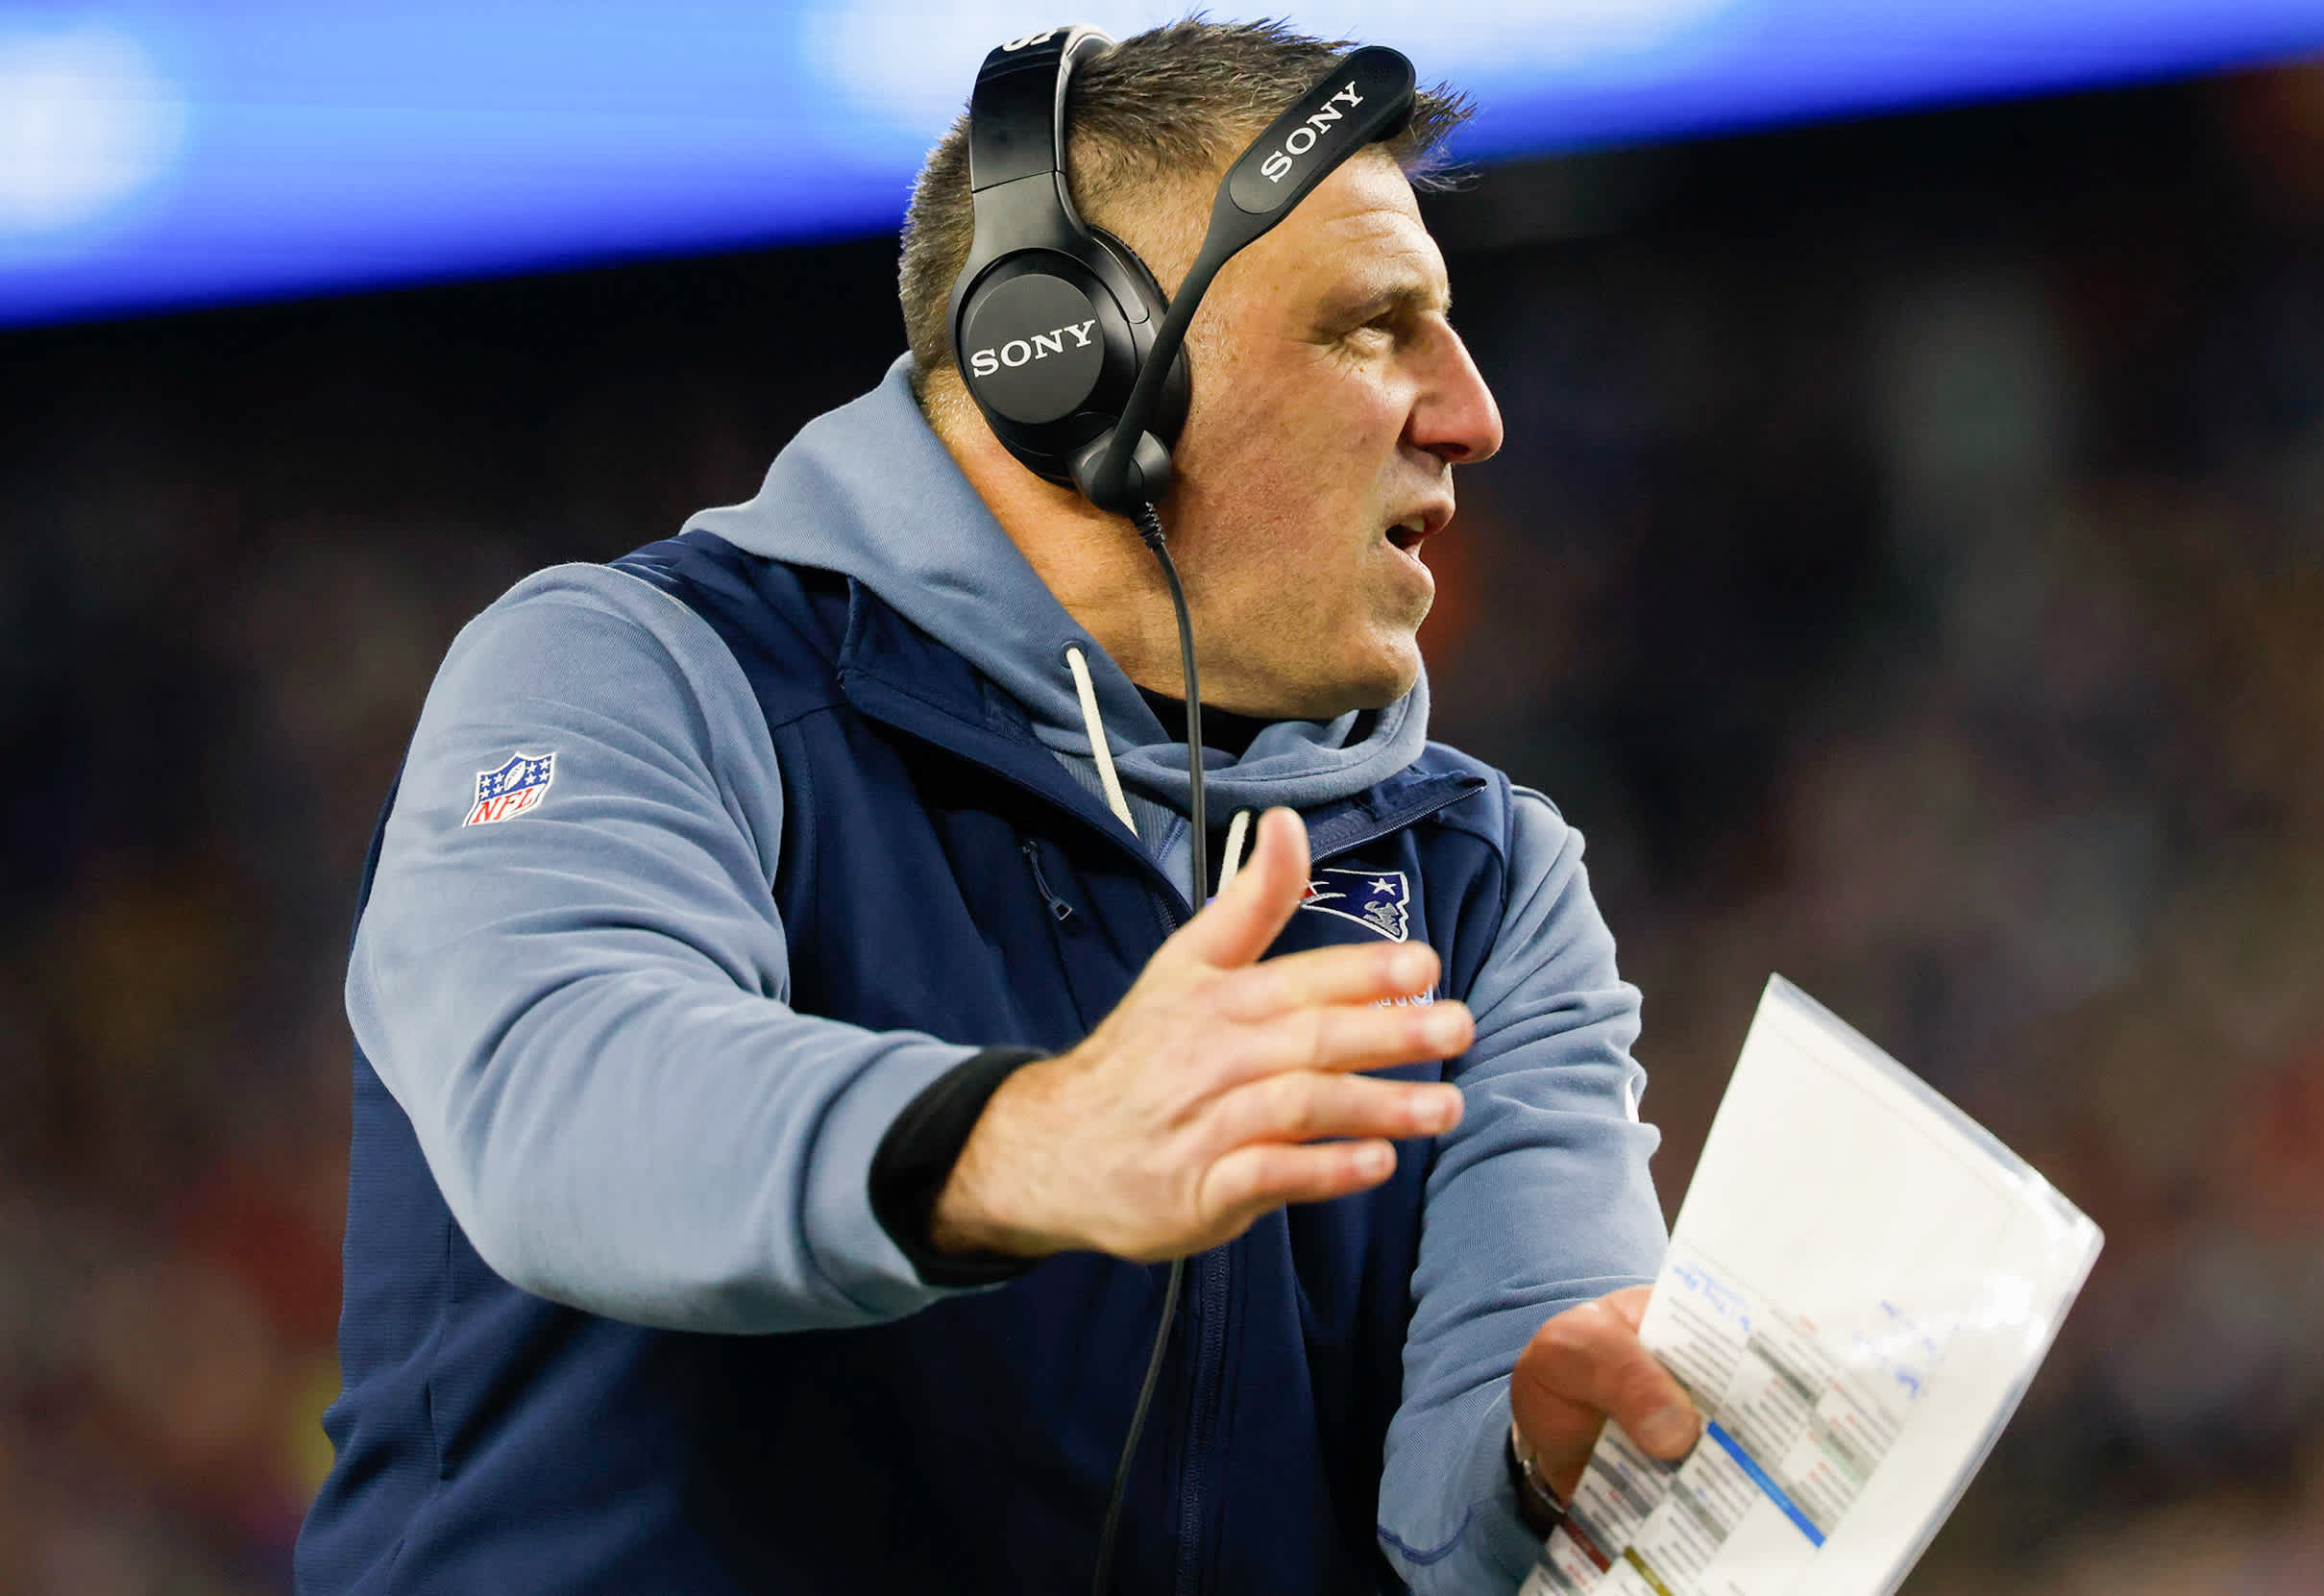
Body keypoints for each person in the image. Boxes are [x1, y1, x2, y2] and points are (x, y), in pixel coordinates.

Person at [296, 18, 1698, 1594]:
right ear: (1078, 367)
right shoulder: (631, 671)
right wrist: (1033, 1135)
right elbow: (560, 1097)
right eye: (1374, 327)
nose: (1471, 413)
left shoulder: (1483, 874)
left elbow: (1468, 1492)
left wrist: (1544, 1459)